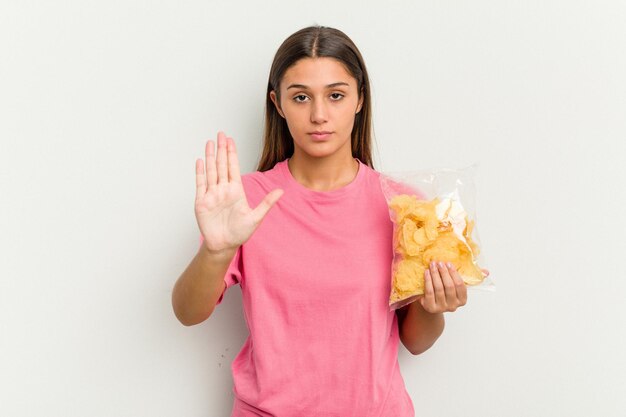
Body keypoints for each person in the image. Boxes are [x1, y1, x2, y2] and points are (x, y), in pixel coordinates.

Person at [171, 25, 489, 417]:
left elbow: (417, 342)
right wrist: (217, 251)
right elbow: (187, 312)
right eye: (301, 97)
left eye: (336, 95)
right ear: (278, 103)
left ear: (359, 99)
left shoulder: (401, 206)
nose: (319, 115)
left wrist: (434, 305)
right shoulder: (247, 201)